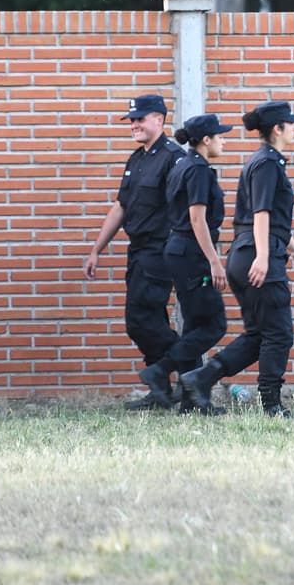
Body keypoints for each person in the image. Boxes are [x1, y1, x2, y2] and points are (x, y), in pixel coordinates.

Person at [180, 101, 294, 417]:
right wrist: (266, 257)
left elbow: (272, 216)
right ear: (277, 129)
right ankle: (271, 405)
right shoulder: (267, 164)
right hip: (257, 256)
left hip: (246, 254)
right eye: (291, 124)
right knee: (279, 333)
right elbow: (261, 213)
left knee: (259, 334)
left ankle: (200, 378)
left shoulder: (263, 161)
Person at [84, 93, 186, 411]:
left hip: (161, 250)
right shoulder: (137, 159)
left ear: (159, 119)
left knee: (141, 319)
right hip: (139, 250)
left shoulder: (174, 158)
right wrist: (96, 249)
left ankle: (191, 371)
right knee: (146, 319)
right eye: (131, 119)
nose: (134, 124)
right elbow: (121, 207)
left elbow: (189, 210)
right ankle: (165, 389)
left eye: (140, 118)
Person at [152, 114, 235, 414]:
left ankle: (192, 402)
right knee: (214, 325)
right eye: (220, 136)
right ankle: (161, 369)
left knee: (195, 326)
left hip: (178, 249)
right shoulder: (198, 170)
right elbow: (197, 219)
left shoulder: (182, 165)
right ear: (205, 140)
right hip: (191, 252)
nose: (224, 140)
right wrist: (215, 261)